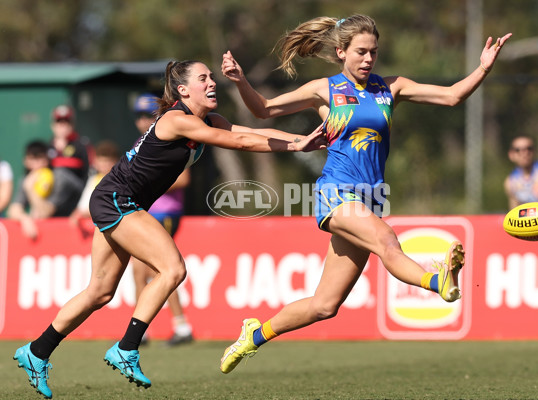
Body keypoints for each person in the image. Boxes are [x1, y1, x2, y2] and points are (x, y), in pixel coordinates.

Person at [13, 60, 325, 399]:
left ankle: (36, 351)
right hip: (117, 200)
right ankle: (127, 347)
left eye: (211, 78)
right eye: (203, 78)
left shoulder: (207, 119)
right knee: (172, 269)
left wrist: (306, 138)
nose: (212, 83)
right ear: (183, 90)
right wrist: (296, 146)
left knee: (100, 292)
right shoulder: (178, 120)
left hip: (116, 200)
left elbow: (255, 133)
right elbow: (241, 143)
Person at [218, 14, 511, 374]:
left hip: (371, 198)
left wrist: (482, 69)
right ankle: (440, 282)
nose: (368, 59)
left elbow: (451, 97)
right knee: (388, 242)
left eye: (373, 52)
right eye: (360, 52)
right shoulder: (325, 90)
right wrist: (240, 81)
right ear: (341, 52)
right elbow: (264, 109)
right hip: (335, 193)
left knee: (325, 305)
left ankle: (254, 334)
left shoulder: (392, 87)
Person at [131, 93, 194, 346]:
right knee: (138, 271)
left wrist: (149, 184)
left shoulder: (171, 139)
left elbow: (184, 179)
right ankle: (141, 330)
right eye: (140, 116)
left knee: (160, 270)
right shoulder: (142, 141)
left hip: (165, 213)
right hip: (145, 213)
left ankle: (181, 325)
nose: (144, 120)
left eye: (149, 115)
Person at [7, 140, 84, 239]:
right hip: (57, 230)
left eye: (39, 158)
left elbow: (45, 212)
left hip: (79, 227)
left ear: (47, 160)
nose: (37, 164)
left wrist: (30, 190)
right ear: (25, 161)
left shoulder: (60, 177)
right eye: (32, 159)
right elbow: (13, 209)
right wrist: (25, 219)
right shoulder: (27, 179)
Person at [69, 140, 122, 225]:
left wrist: (84, 213)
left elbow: (110, 208)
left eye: (107, 161)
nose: (103, 165)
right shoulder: (93, 179)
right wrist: (77, 213)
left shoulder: (119, 181)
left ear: (116, 161)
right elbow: (82, 205)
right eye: (101, 161)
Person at [49, 105, 89, 183]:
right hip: (51, 188)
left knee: (60, 174)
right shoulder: (49, 146)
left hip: (77, 189)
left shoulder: (81, 145)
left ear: (72, 124)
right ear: (53, 125)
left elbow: (88, 172)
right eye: (59, 122)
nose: (63, 125)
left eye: (66, 122)